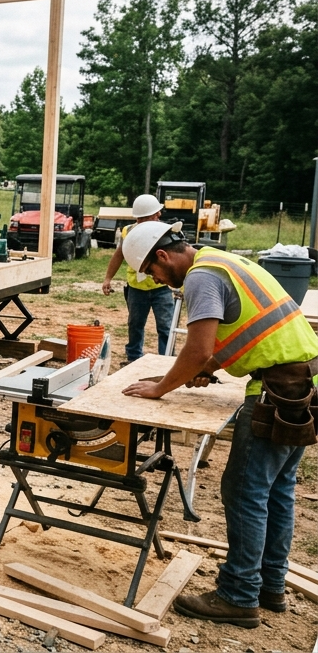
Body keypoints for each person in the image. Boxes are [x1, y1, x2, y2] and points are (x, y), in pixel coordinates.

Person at [120, 221, 318, 628]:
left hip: (278, 390)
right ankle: (269, 586)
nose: (156, 280)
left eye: (153, 272)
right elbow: (243, 332)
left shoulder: (201, 277)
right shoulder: (224, 261)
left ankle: (238, 595)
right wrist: (210, 365)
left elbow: (197, 348)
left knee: (245, 491)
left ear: (163, 256)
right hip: (306, 382)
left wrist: (161, 387)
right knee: (277, 490)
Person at [101, 194, 174, 361]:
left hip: (161, 288)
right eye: (154, 213)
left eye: (156, 213)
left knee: (165, 327)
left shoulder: (165, 232)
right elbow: (118, 255)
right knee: (135, 325)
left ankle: (166, 360)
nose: (158, 216)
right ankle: (133, 358)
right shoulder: (129, 232)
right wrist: (108, 278)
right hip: (136, 289)